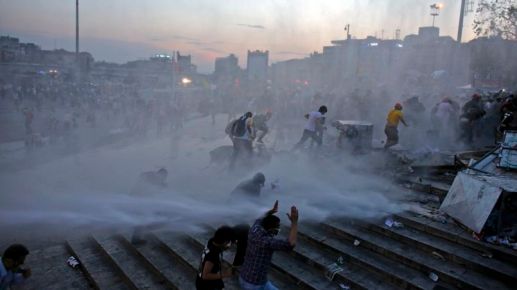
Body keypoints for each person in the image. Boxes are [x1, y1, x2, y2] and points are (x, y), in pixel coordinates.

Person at [239, 201, 298, 290]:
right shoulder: (267, 242)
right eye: (277, 227)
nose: (278, 229)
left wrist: (272, 211)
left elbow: (260, 218)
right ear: (271, 229)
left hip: (244, 277)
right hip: (255, 285)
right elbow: (290, 244)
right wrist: (294, 222)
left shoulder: (255, 229)